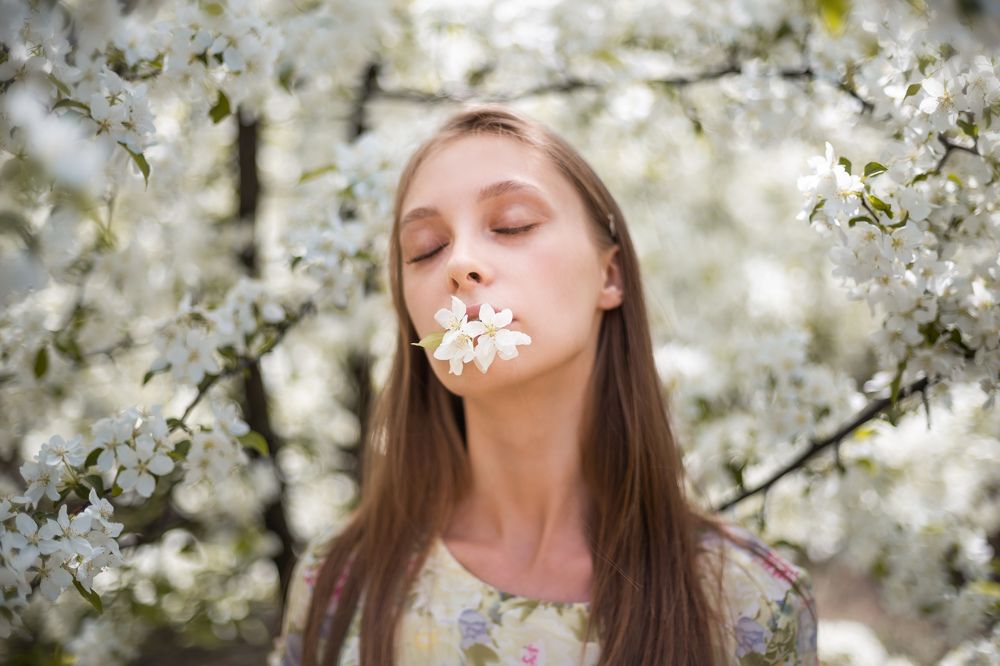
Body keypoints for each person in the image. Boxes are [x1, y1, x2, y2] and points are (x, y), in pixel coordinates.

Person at [269, 105, 818, 665]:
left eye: (513, 225)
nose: (460, 262)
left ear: (610, 275)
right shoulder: (338, 583)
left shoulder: (749, 608)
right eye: (426, 249)